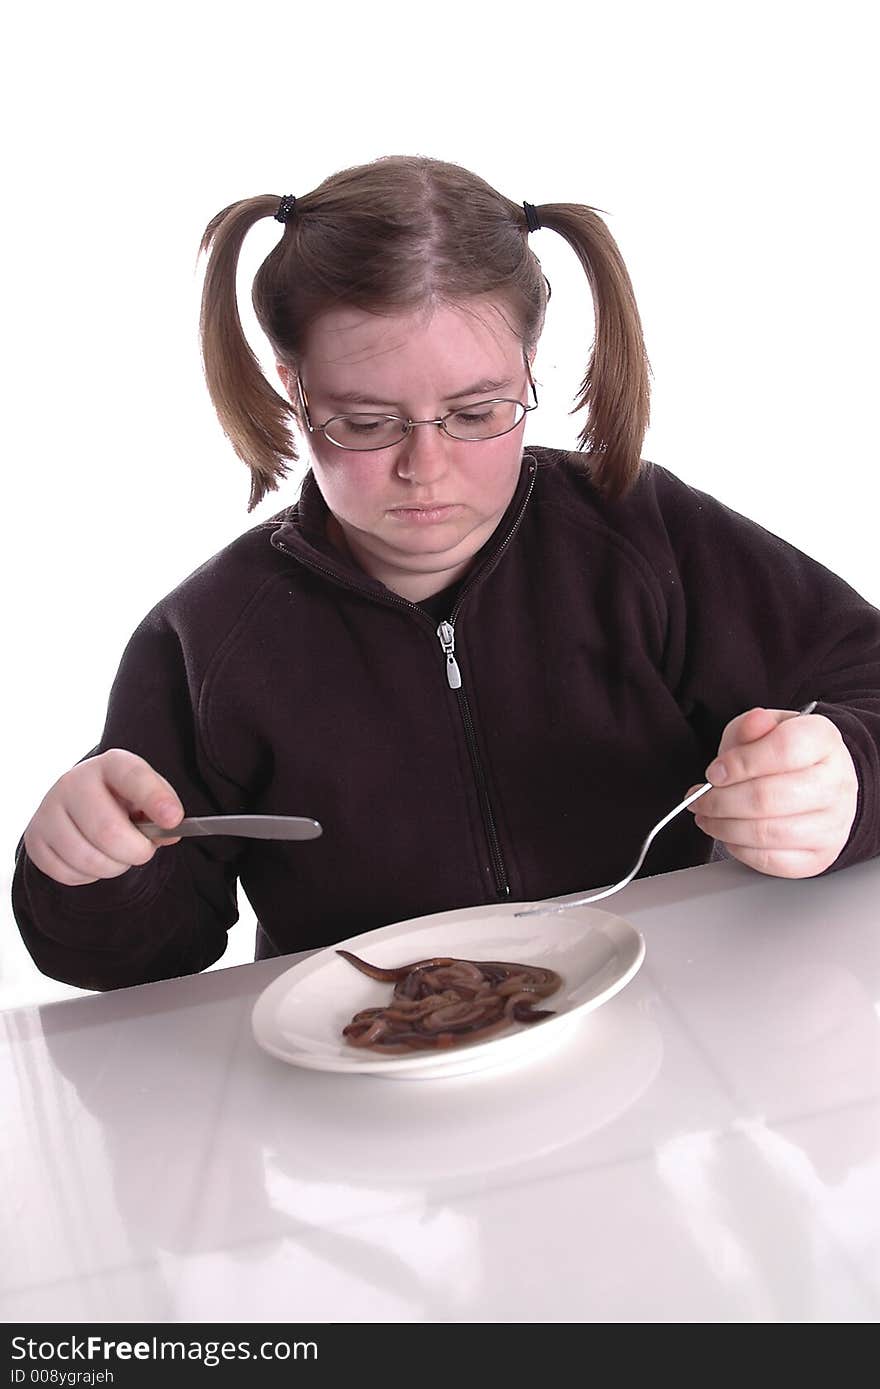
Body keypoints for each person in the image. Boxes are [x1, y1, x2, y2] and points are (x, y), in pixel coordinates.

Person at [12, 155, 878, 993]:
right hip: (365, 1089)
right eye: (366, 420)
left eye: (476, 411)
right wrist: (88, 868)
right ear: (294, 389)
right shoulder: (208, 639)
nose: (426, 468)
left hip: (663, 1032)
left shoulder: (643, 535)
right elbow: (141, 958)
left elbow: (866, 686)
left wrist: (845, 777)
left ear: (530, 372)